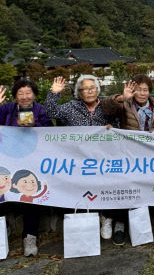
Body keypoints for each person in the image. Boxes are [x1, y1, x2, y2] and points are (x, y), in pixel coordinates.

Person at [0, 79, 51, 256]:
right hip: (7, 162)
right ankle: (2, 232)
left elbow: (51, 130)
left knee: (30, 197)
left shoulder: (40, 110)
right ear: (15, 96)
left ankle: (30, 237)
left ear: (34, 95)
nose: (25, 97)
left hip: (32, 163)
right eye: (20, 93)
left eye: (28, 93)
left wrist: (36, 125)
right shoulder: (8, 109)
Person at [44, 74, 116, 240]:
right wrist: (54, 93)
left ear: (97, 90)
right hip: (77, 159)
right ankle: (84, 222)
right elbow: (50, 112)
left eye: (93, 88)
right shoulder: (71, 107)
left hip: (102, 158)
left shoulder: (106, 106)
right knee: (79, 189)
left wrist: (112, 127)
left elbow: (119, 124)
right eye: (85, 88)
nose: (90, 91)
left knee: (109, 184)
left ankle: (107, 218)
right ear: (79, 92)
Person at [102, 75, 154, 245]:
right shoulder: (126, 104)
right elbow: (106, 108)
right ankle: (120, 226)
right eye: (138, 89)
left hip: (151, 156)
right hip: (128, 155)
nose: (142, 93)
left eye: (146, 90)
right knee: (126, 187)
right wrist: (122, 97)